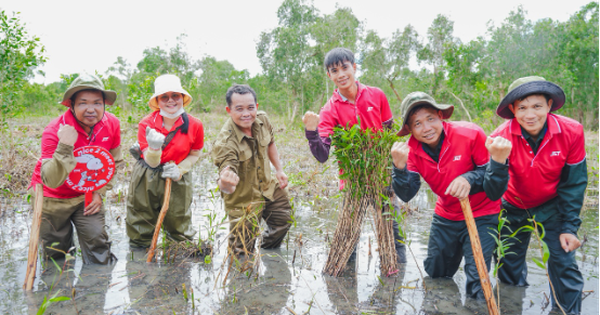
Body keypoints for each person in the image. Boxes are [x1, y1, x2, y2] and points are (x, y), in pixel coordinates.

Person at [390, 91, 512, 299]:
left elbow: (489, 174)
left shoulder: (470, 133)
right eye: (417, 124)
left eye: (430, 119)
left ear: (440, 116)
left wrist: (468, 179)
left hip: (482, 213)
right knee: (436, 273)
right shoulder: (410, 149)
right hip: (446, 214)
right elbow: (408, 193)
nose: (426, 128)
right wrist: (399, 168)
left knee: (477, 281)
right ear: (409, 129)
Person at [491, 76, 587, 314]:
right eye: (522, 108)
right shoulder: (500, 137)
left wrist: (569, 227)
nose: (530, 115)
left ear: (549, 105)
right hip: (513, 204)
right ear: (512, 110)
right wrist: (498, 161)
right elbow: (493, 190)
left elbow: (574, 184)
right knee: (507, 266)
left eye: (537, 106)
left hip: (551, 204)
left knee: (563, 262)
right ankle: (511, 308)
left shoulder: (572, 131)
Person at [301, 47, 406, 263]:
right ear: (329, 75)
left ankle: (396, 279)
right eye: (334, 70)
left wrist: (394, 169)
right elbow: (322, 155)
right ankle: (345, 291)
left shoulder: (377, 95)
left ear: (354, 67)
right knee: (347, 242)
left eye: (345, 67)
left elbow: (389, 133)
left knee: (393, 236)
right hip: (353, 182)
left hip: (382, 178)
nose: (341, 74)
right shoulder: (329, 110)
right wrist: (311, 132)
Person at [28, 73, 122, 264]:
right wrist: (65, 146)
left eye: (97, 103)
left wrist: (99, 191)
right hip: (52, 198)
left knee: (98, 245)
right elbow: (52, 179)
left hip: (86, 195)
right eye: (82, 103)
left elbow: (114, 161)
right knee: (56, 254)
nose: (91, 109)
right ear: (71, 105)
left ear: (104, 104)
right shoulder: (54, 131)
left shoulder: (111, 123)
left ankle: (97, 288)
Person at [212, 84, 292, 254]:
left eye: (250, 108)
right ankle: (240, 276)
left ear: (256, 106)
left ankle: (267, 254)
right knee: (241, 249)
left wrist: (279, 169)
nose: (246, 114)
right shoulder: (226, 142)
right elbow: (226, 174)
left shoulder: (262, 120)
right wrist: (226, 182)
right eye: (239, 109)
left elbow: (270, 142)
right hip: (244, 199)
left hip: (267, 186)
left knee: (283, 219)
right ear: (229, 110)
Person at [126, 74, 204, 247]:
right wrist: (154, 149)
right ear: (158, 101)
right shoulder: (146, 123)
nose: (171, 101)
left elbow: (195, 153)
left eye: (175, 95)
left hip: (177, 174)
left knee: (179, 224)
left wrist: (181, 170)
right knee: (141, 222)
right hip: (147, 174)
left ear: (182, 98)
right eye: (164, 97)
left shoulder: (195, 124)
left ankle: (178, 264)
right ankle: (140, 266)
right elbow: (152, 162)